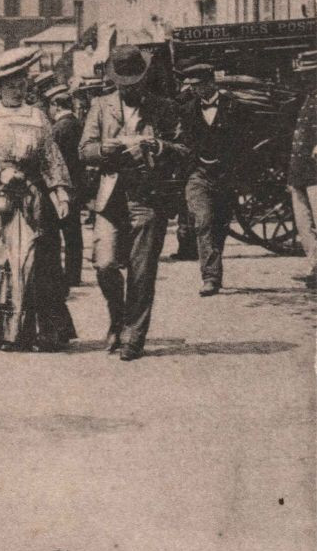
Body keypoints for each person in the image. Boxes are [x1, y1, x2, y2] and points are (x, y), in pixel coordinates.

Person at [79, 45, 190, 361]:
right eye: (123, 83)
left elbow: (183, 150)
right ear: (114, 81)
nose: (130, 88)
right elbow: (83, 149)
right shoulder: (100, 106)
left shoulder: (163, 108)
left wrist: (155, 146)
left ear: (144, 78)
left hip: (147, 198)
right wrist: (106, 149)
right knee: (104, 264)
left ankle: (133, 338)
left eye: (136, 82)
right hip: (109, 198)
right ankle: (118, 317)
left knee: (142, 272)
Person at [0, 49, 75, 351]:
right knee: (3, 262)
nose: (16, 90)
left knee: (36, 263)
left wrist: (59, 192)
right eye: (9, 85)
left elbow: (51, 158)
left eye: (20, 84)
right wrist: (0, 173)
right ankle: (3, 332)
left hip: (33, 198)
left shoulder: (38, 117)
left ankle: (43, 332)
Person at [177, 62, 243, 297]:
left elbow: (244, 141)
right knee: (202, 222)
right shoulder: (186, 109)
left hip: (225, 175)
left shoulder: (234, 106)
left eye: (198, 85)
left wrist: (236, 171)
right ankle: (210, 277)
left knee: (220, 224)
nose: (194, 90)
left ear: (211, 83)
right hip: (197, 175)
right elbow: (183, 142)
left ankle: (214, 269)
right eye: (191, 86)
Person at [43, 83, 88, 288]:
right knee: (73, 233)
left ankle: (64, 277)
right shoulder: (78, 123)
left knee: (58, 231)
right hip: (77, 184)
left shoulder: (59, 128)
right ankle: (74, 274)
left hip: (64, 186)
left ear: (55, 105)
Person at [287, 50, 317, 288]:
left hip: (315, 170)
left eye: (310, 74)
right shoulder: (308, 98)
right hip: (300, 170)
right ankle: (314, 265)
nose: (306, 79)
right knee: (304, 222)